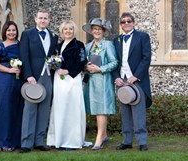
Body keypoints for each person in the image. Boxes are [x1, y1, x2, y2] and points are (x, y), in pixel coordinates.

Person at [19, 9, 58, 153]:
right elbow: (24, 55)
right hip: (33, 77)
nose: (43, 20)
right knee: (30, 109)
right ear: (35, 19)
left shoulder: (53, 36)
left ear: (49, 20)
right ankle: (26, 143)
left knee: (44, 109)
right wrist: (28, 75)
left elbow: (53, 56)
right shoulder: (27, 34)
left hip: (48, 76)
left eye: (45, 18)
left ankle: (39, 141)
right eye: (40, 18)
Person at [112, 12, 152, 151]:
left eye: (129, 21)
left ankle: (142, 142)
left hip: (136, 80)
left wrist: (136, 76)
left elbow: (146, 58)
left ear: (133, 23)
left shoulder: (142, 37)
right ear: (121, 25)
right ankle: (127, 141)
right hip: (122, 80)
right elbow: (115, 61)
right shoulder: (116, 40)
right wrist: (116, 77)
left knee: (138, 112)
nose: (126, 23)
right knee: (125, 112)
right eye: (123, 22)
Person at [46, 20, 87, 150]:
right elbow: (52, 61)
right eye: (65, 29)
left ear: (74, 31)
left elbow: (81, 62)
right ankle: (58, 139)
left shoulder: (79, 45)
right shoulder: (58, 46)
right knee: (60, 108)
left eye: (70, 29)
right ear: (62, 31)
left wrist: (68, 71)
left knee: (72, 108)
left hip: (72, 80)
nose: (68, 31)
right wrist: (55, 67)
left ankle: (72, 141)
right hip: (59, 80)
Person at [82, 18, 118, 150]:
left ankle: (100, 138)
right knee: (93, 107)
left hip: (103, 80)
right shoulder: (87, 46)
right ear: (91, 31)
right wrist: (86, 66)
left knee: (101, 108)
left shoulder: (108, 45)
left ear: (103, 31)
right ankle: (104, 135)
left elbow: (114, 62)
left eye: (99, 29)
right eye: (95, 29)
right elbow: (84, 63)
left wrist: (100, 69)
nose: (97, 31)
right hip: (90, 81)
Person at [0, 21, 24, 152]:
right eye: (9, 30)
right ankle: (3, 142)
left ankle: (15, 141)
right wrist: (9, 70)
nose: (11, 33)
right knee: (4, 109)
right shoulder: (0, 45)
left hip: (17, 81)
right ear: (4, 31)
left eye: (13, 30)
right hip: (3, 81)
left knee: (16, 109)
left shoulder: (21, 45)